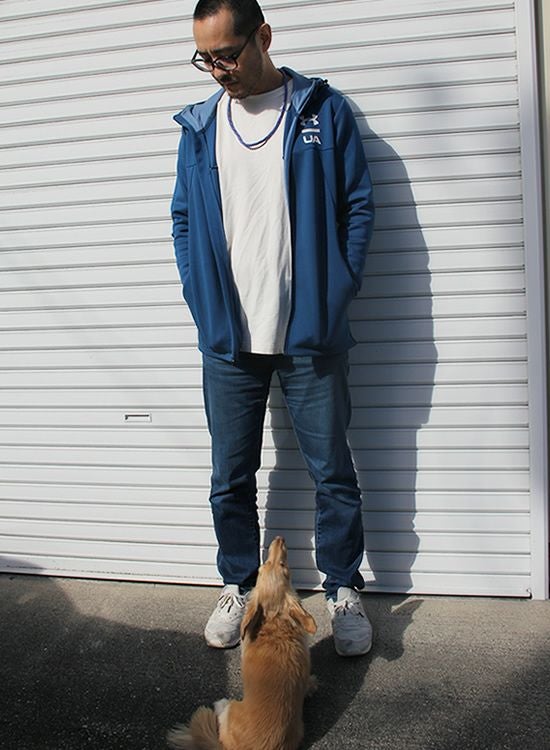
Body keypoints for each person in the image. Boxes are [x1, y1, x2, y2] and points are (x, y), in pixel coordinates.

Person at [171, 0, 375, 657]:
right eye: (205, 58)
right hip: (229, 338)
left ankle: (343, 588)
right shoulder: (201, 126)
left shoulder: (321, 110)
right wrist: (200, 298)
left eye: (227, 54)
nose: (218, 70)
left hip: (309, 331)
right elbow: (182, 218)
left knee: (332, 472)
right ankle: (238, 583)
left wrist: (337, 289)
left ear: (263, 35)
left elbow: (358, 205)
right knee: (229, 476)